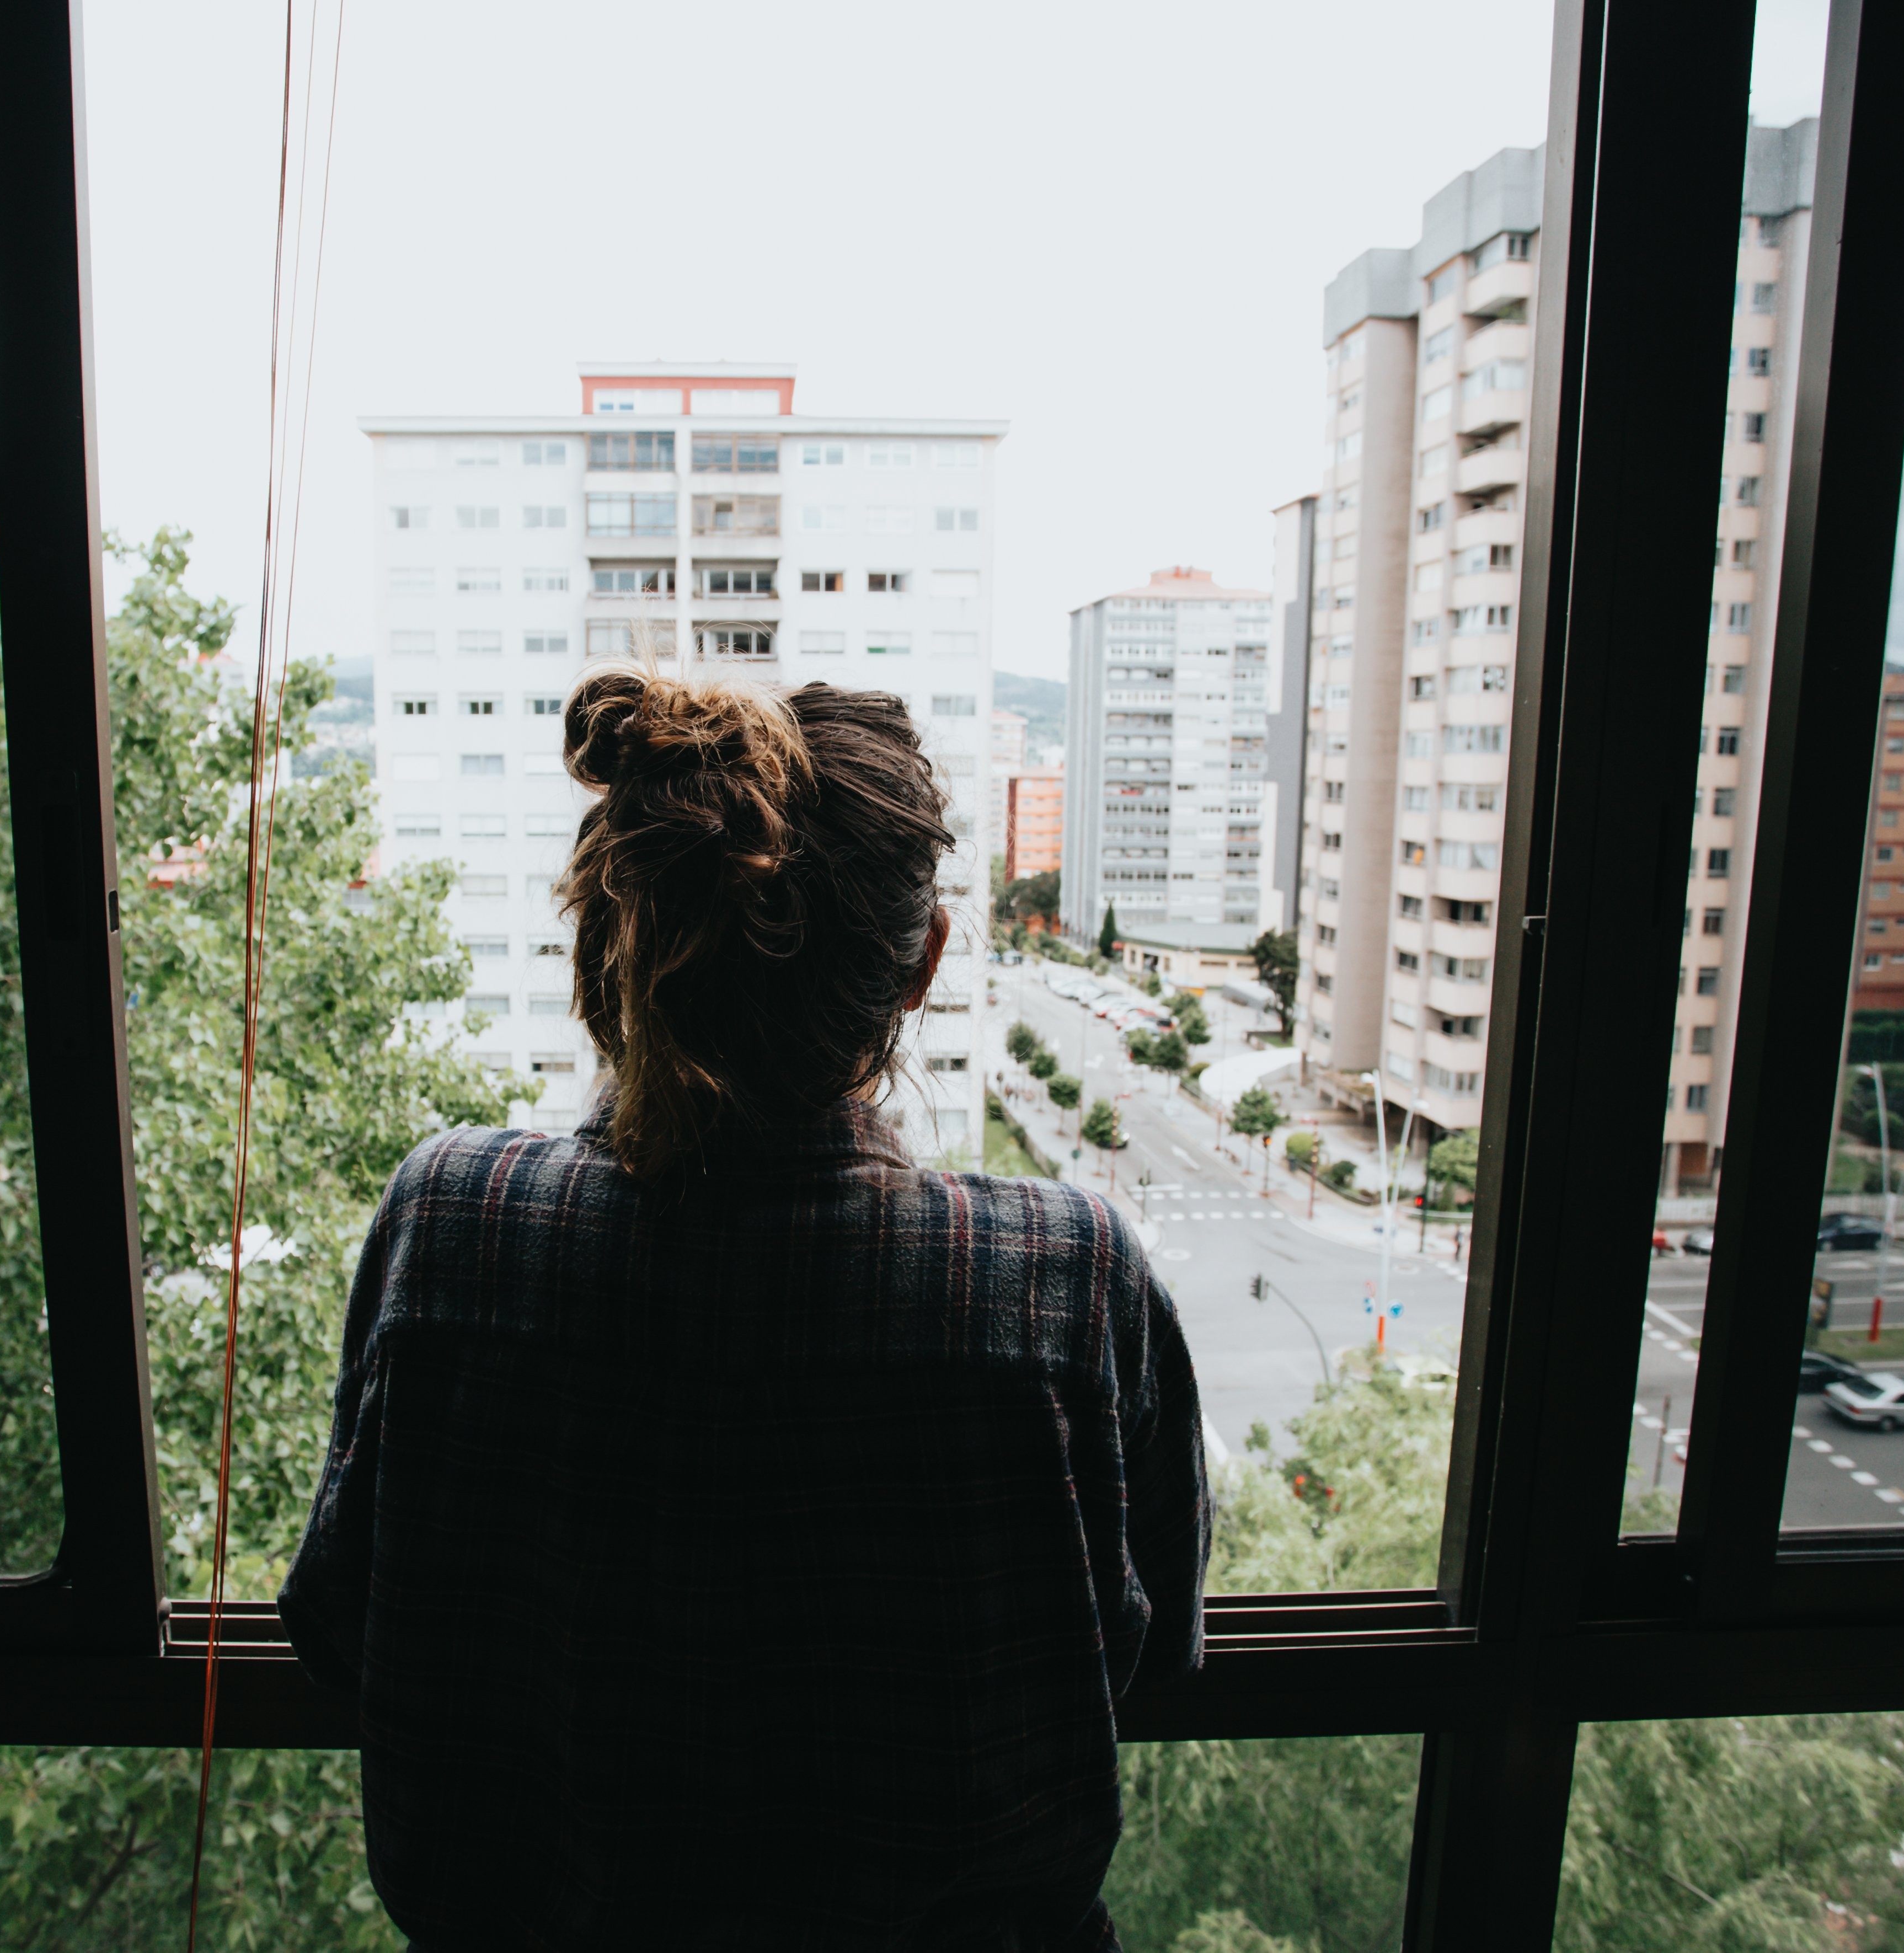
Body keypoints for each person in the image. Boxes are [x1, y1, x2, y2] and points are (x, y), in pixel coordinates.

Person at [281, 667, 1209, 1949]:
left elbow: (338, 1626)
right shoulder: (1067, 1280)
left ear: (609, 939)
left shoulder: (452, 1229)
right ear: (919, 964)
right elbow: (1145, 1658)